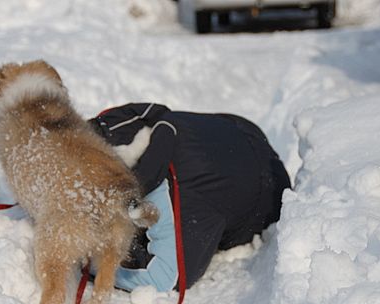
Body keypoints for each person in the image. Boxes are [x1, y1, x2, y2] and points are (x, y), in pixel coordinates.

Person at [88, 103, 291, 292]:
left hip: (266, 197)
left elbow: (165, 276)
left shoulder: (173, 189)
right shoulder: (117, 128)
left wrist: (88, 262)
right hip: (232, 131)